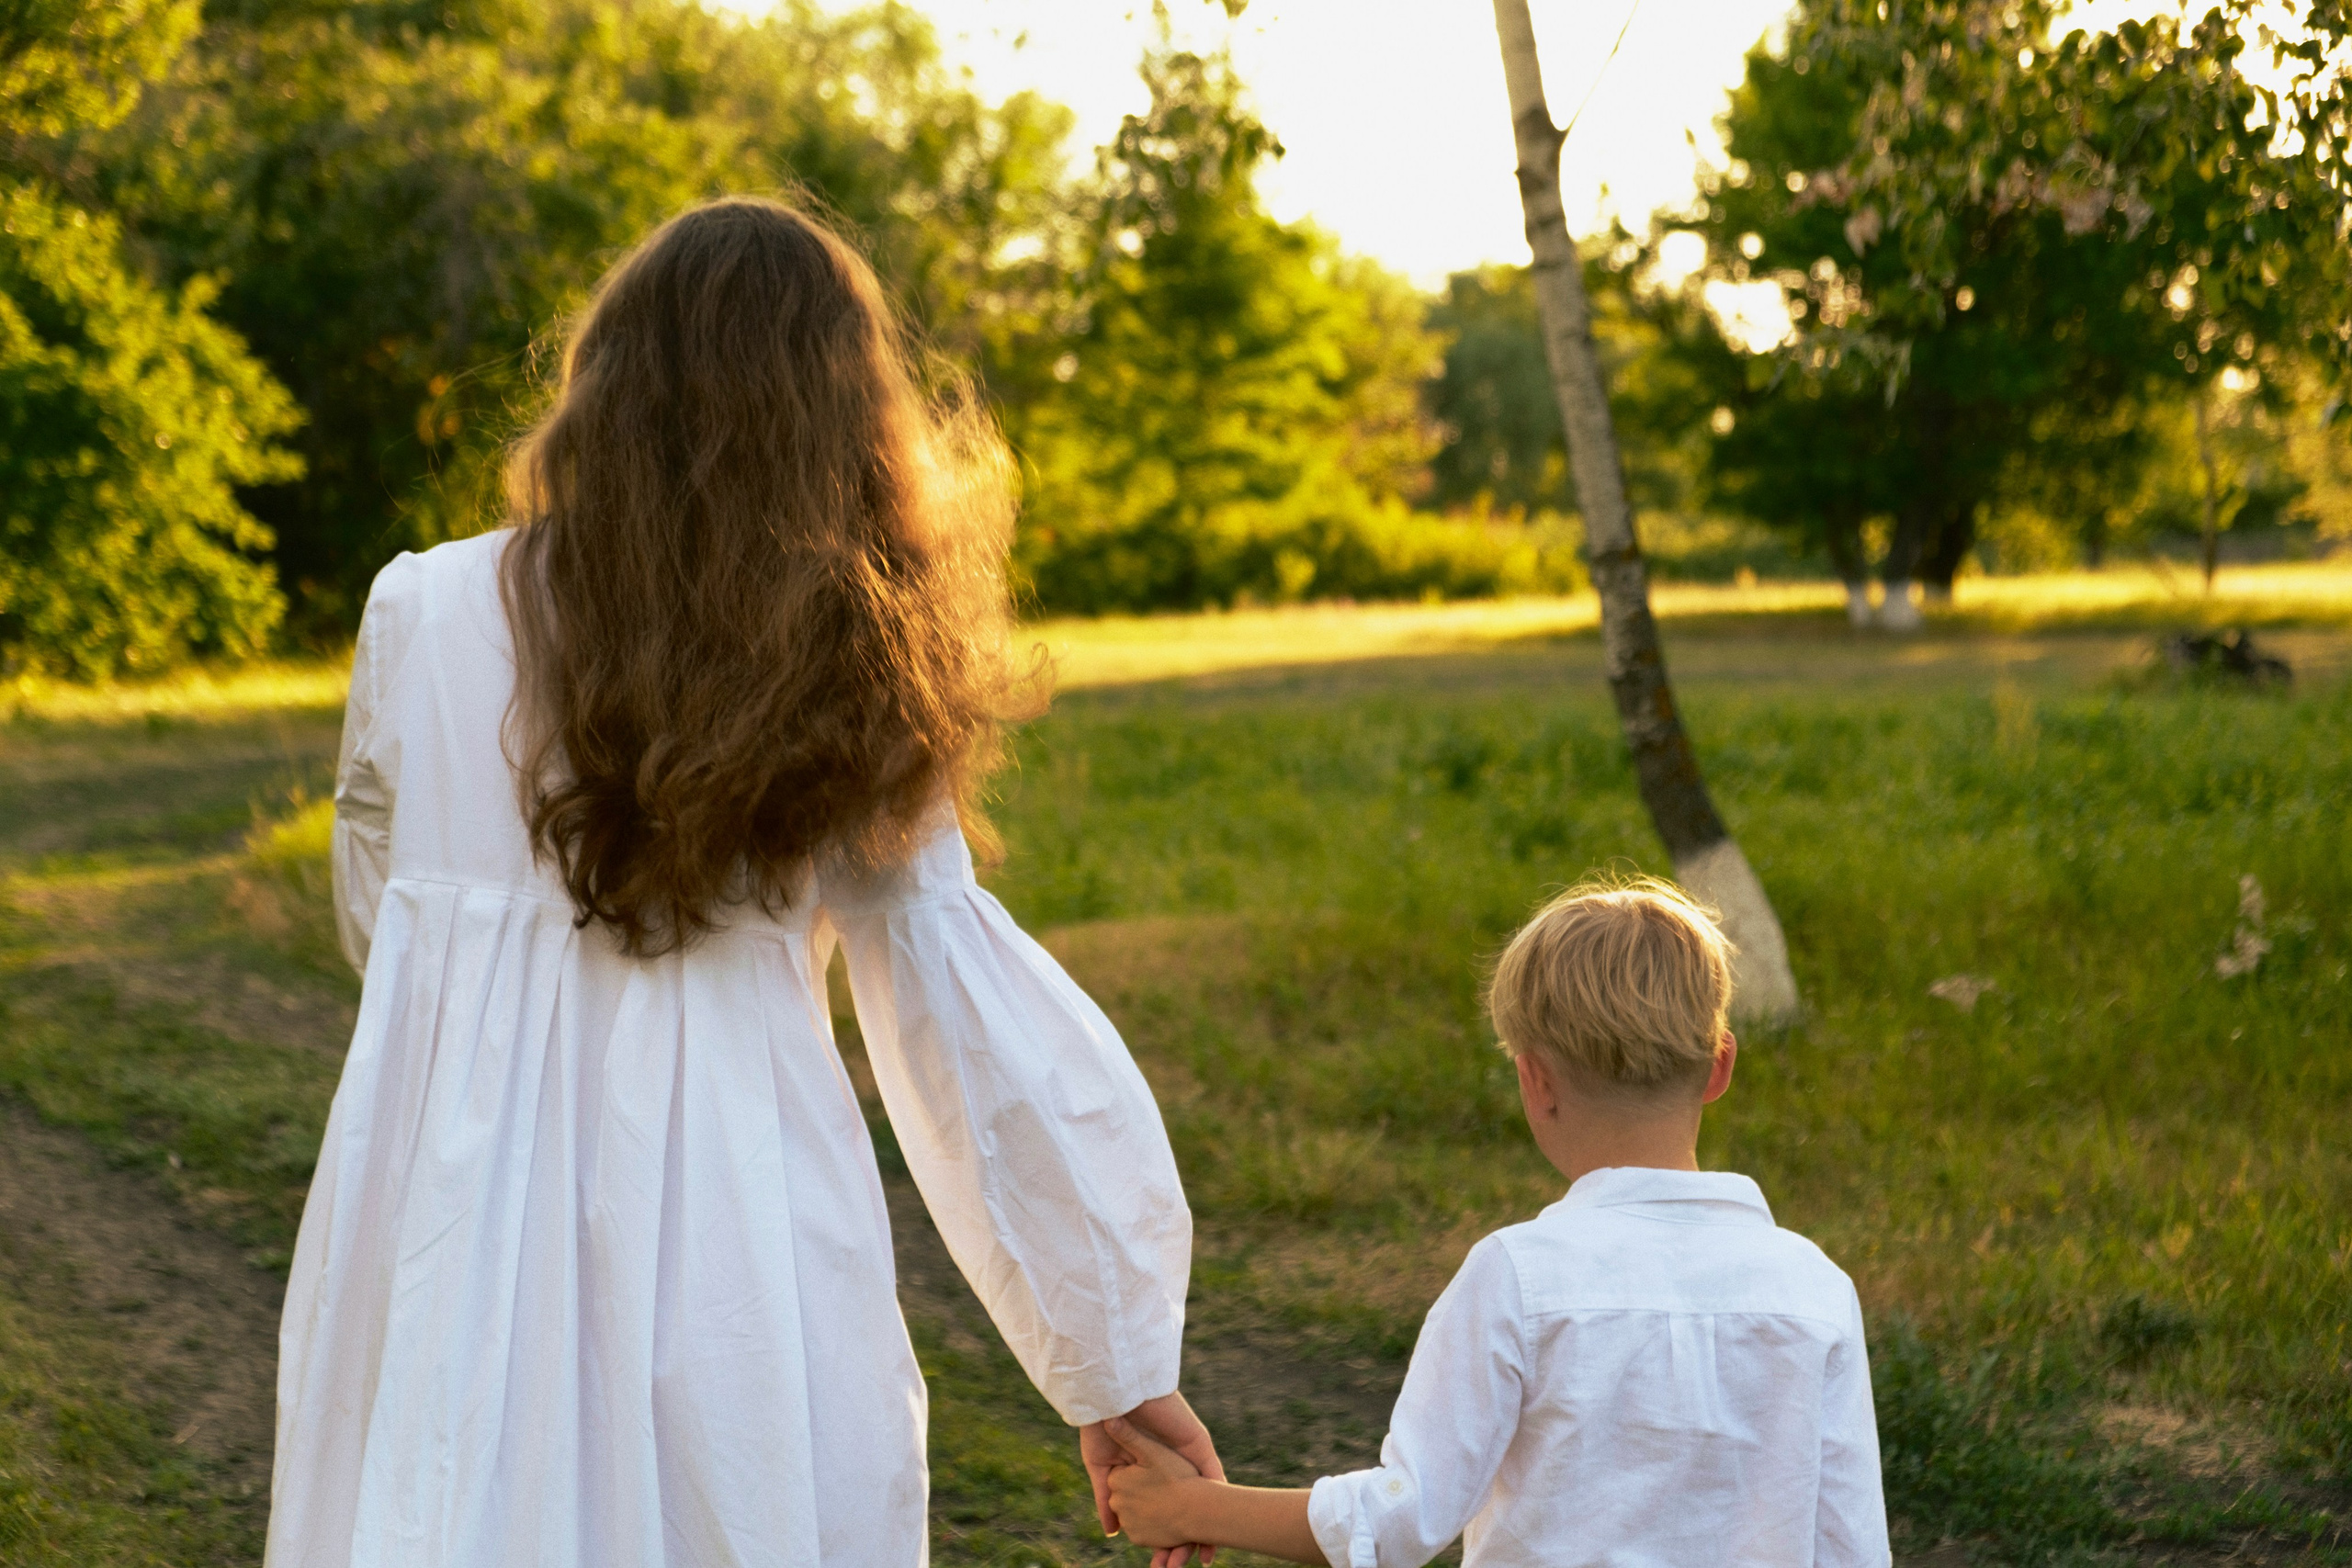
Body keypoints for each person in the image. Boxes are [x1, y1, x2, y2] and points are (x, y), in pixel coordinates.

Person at [269, 195, 1221, 1568]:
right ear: (846, 427)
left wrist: (508, 1041)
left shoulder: (420, 606)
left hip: (452, 1216)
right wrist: (1112, 1357)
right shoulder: (850, 658)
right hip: (731, 1213)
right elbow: (962, 1027)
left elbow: (386, 911)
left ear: (605, 388)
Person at [1102, 878, 1891, 1568]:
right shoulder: (1817, 1291)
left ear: (1534, 1079)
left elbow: (1401, 1521)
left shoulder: (1518, 1277)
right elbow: (1853, 1548)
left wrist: (1194, 1507)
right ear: (1720, 1067)